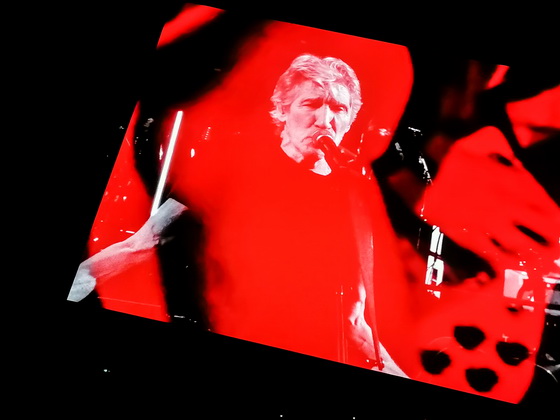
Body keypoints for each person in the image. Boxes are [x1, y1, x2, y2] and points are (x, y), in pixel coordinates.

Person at [68, 53, 407, 376]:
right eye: (311, 103)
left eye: (338, 108)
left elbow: (354, 322)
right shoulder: (232, 165)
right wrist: (79, 279)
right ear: (283, 110)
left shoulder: (349, 194)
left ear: (350, 120)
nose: (325, 119)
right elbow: (144, 242)